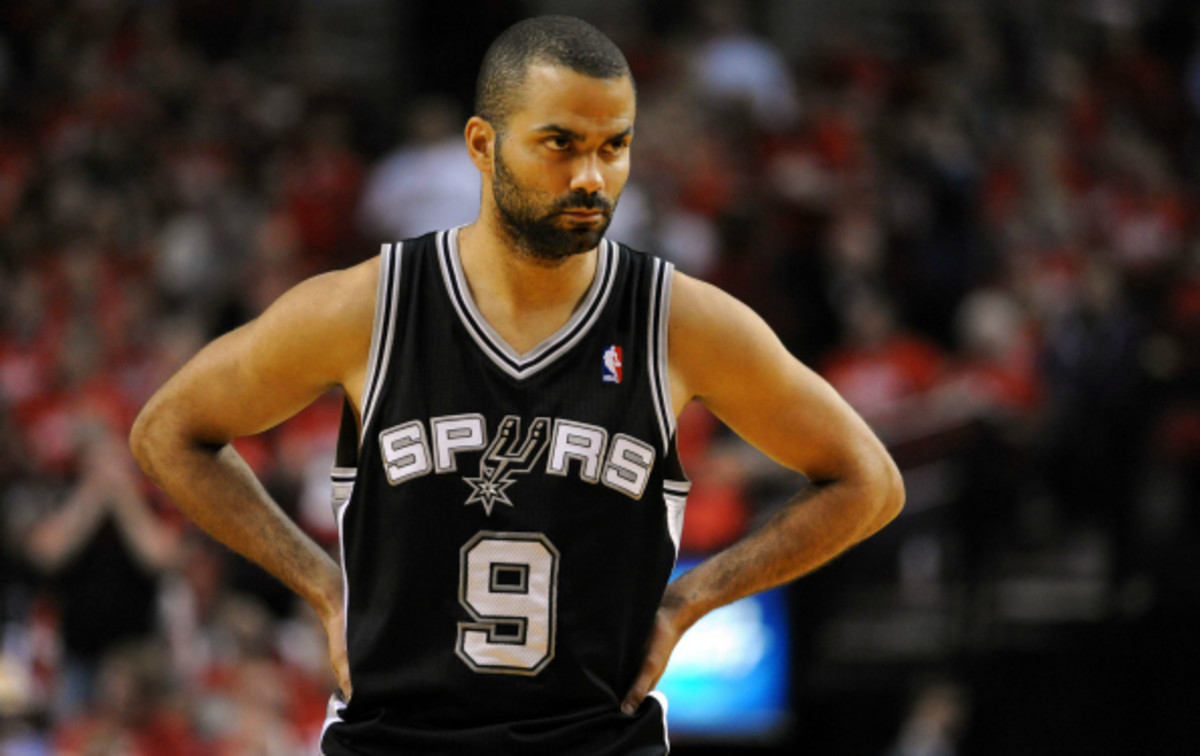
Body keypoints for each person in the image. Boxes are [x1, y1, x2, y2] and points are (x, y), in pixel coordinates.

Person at [130, 15, 904, 755]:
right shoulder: (368, 308)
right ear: (482, 144)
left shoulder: (679, 322)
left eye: (615, 147)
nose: (591, 177)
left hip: (597, 740)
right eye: (559, 145)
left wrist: (691, 597)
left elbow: (868, 482)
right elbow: (169, 431)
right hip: (396, 740)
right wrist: (322, 585)